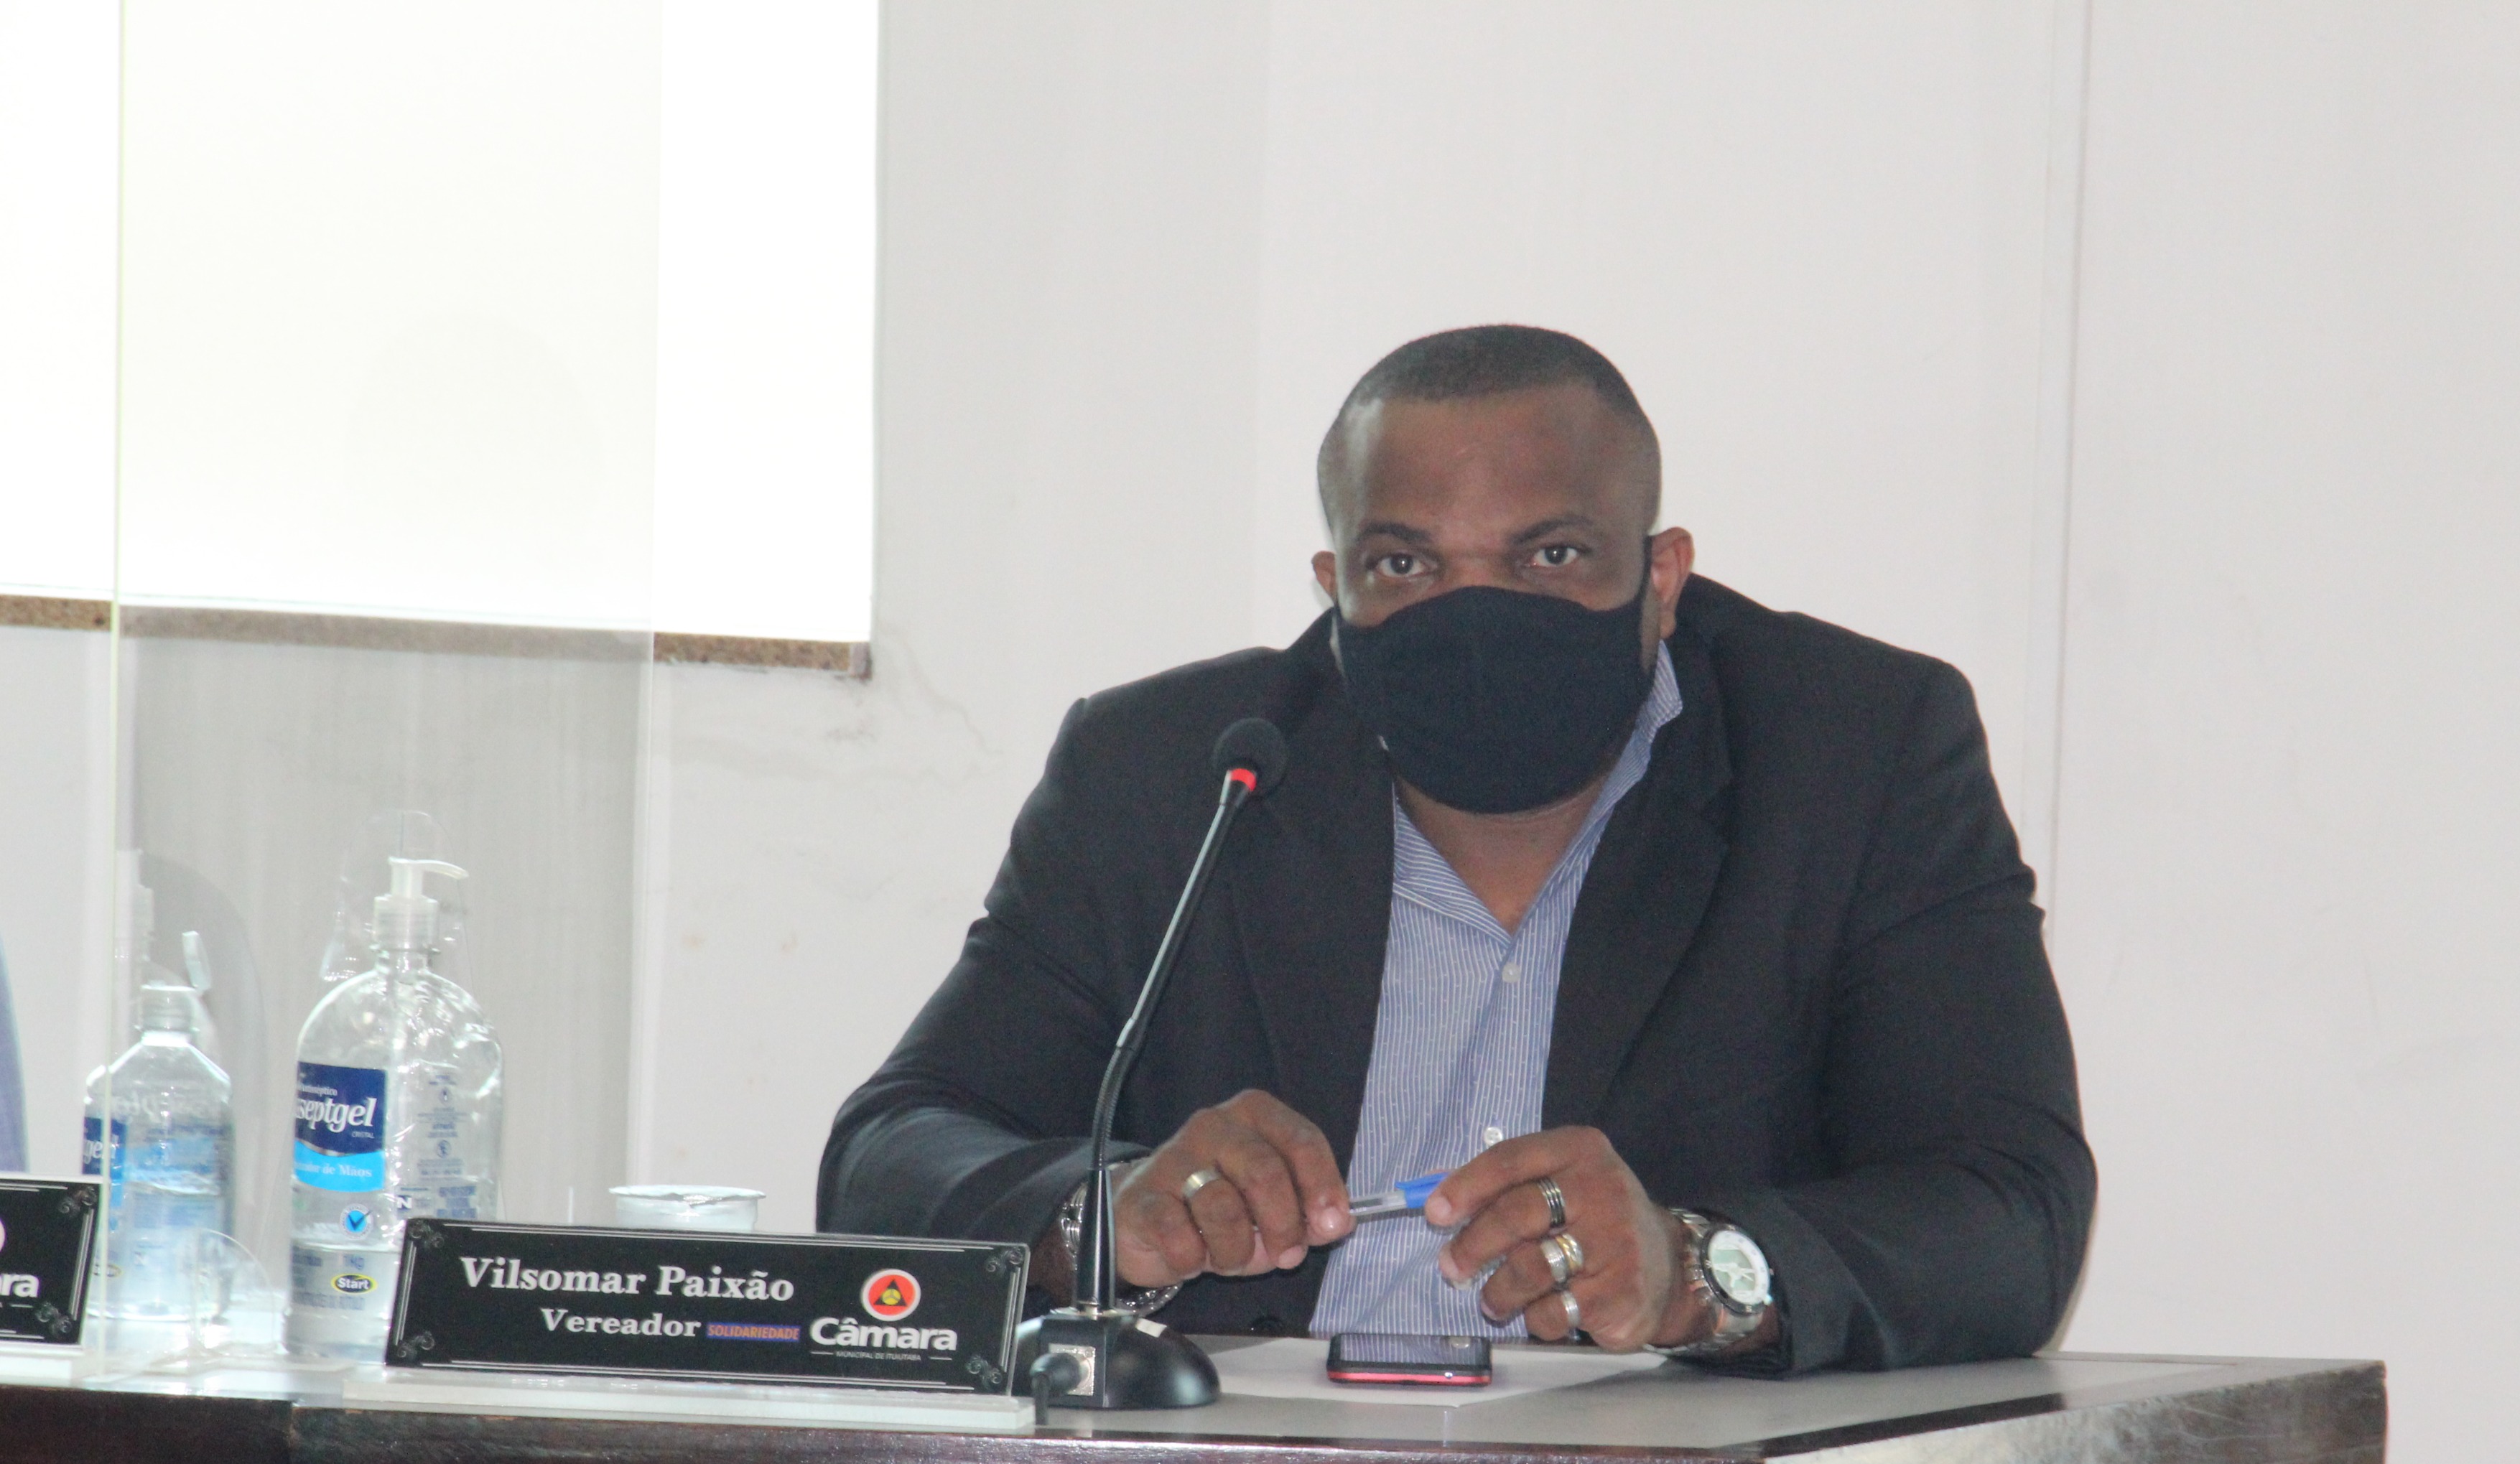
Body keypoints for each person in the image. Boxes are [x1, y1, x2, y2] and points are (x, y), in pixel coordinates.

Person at [820, 326, 2092, 1372]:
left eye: (1551, 555)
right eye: (1406, 564)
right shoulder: (1175, 774)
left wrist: (1698, 1270)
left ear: (1662, 578)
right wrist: (1109, 1210)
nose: (1476, 615)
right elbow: (891, 1152)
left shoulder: (1854, 758)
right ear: (1335, 585)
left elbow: (2011, 1208)